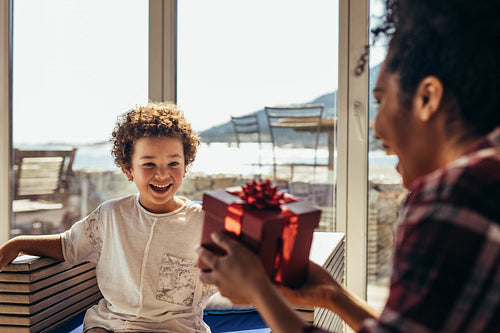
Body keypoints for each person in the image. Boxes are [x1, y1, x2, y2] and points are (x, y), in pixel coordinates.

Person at [196, 0, 500, 332]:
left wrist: (259, 292)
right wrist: (334, 296)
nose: (376, 128)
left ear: (427, 98)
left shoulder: (451, 198)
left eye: (380, 101)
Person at [0, 101, 216, 332]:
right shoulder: (110, 215)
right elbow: (68, 245)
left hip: (175, 327)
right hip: (109, 324)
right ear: (128, 170)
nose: (162, 173)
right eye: (149, 163)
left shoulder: (203, 223)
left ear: (185, 167)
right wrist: (19, 243)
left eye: (173, 163)